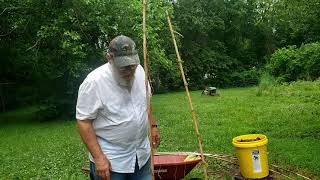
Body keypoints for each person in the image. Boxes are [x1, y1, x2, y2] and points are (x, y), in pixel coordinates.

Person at [76, 35, 160, 180]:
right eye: (123, 66)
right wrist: (99, 158)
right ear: (109, 58)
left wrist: (153, 125)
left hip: (141, 154)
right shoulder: (94, 82)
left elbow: (146, 100)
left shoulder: (139, 70)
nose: (129, 70)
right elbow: (83, 122)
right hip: (111, 160)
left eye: (132, 65)